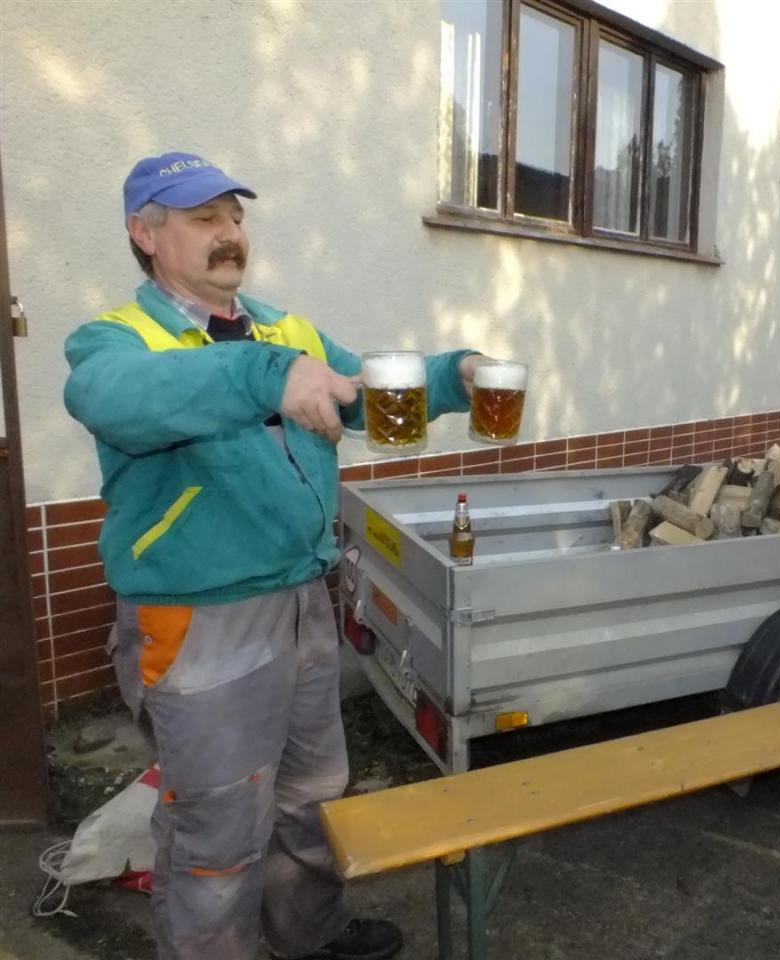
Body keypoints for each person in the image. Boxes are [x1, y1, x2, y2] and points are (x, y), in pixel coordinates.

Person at [64, 152, 486, 960]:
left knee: (310, 793)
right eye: (204, 218)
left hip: (301, 600)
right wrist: (270, 375)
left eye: (235, 216)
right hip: (199, 619)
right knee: (218, 827)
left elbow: (360, 388)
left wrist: (453, 376)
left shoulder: (282, 329)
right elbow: (110, 398)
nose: (230, 233)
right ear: (145, 234)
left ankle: (306, 933)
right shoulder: (116, 339)